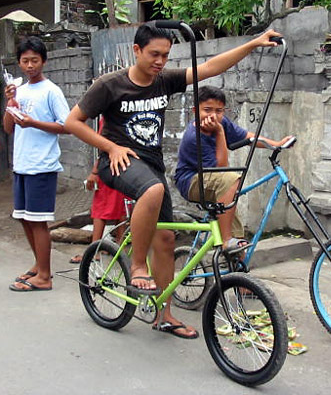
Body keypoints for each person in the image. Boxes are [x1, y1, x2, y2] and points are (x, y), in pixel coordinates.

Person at [64, 22, 282, 339]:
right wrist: (110, 147)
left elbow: (209, 66)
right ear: (136, 50)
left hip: (150, 164)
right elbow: (73, 122)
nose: (160, 62)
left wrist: (253, 43)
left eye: (165, 56)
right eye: (154, 54)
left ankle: (164, 315)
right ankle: (138, 265)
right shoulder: (110, 85)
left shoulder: (164, 80)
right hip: (118, 161)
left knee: (166, 239)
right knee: (151, 190)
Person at [175, 85, 292, 251]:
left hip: (212, 179)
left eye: (219, 111)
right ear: (195, 110)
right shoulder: (194, 137)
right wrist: (220, 133)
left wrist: (276, 144)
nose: (213, 115)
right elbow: (221, 170)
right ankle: (226, 239)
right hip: (191, 181)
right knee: (230, 180)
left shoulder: (221, 122)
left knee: (233, 221)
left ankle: (237, 268)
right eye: (207, 110)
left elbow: (247, 137)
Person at [3, 36, 70, 291]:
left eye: (34, 60)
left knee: (38, 220)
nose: (30, 65)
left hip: (42, 165)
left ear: (44, 61)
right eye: (25, 60)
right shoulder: (18, 90)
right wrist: (10, 102)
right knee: (24, 218)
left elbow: (67, 126)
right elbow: (8, 128)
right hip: (21, 163)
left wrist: (33, 123)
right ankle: (38, 265)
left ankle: (44, 276)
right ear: (19, 63)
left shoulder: (51, 91)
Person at [70, 118, 129, 264]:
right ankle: (119, 250)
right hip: (127, 165)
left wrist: (95, 172)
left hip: (110, 165)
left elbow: (104, 146)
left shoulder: (110, 117)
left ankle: (93, 251)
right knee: (121, 208)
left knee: (100, 208)